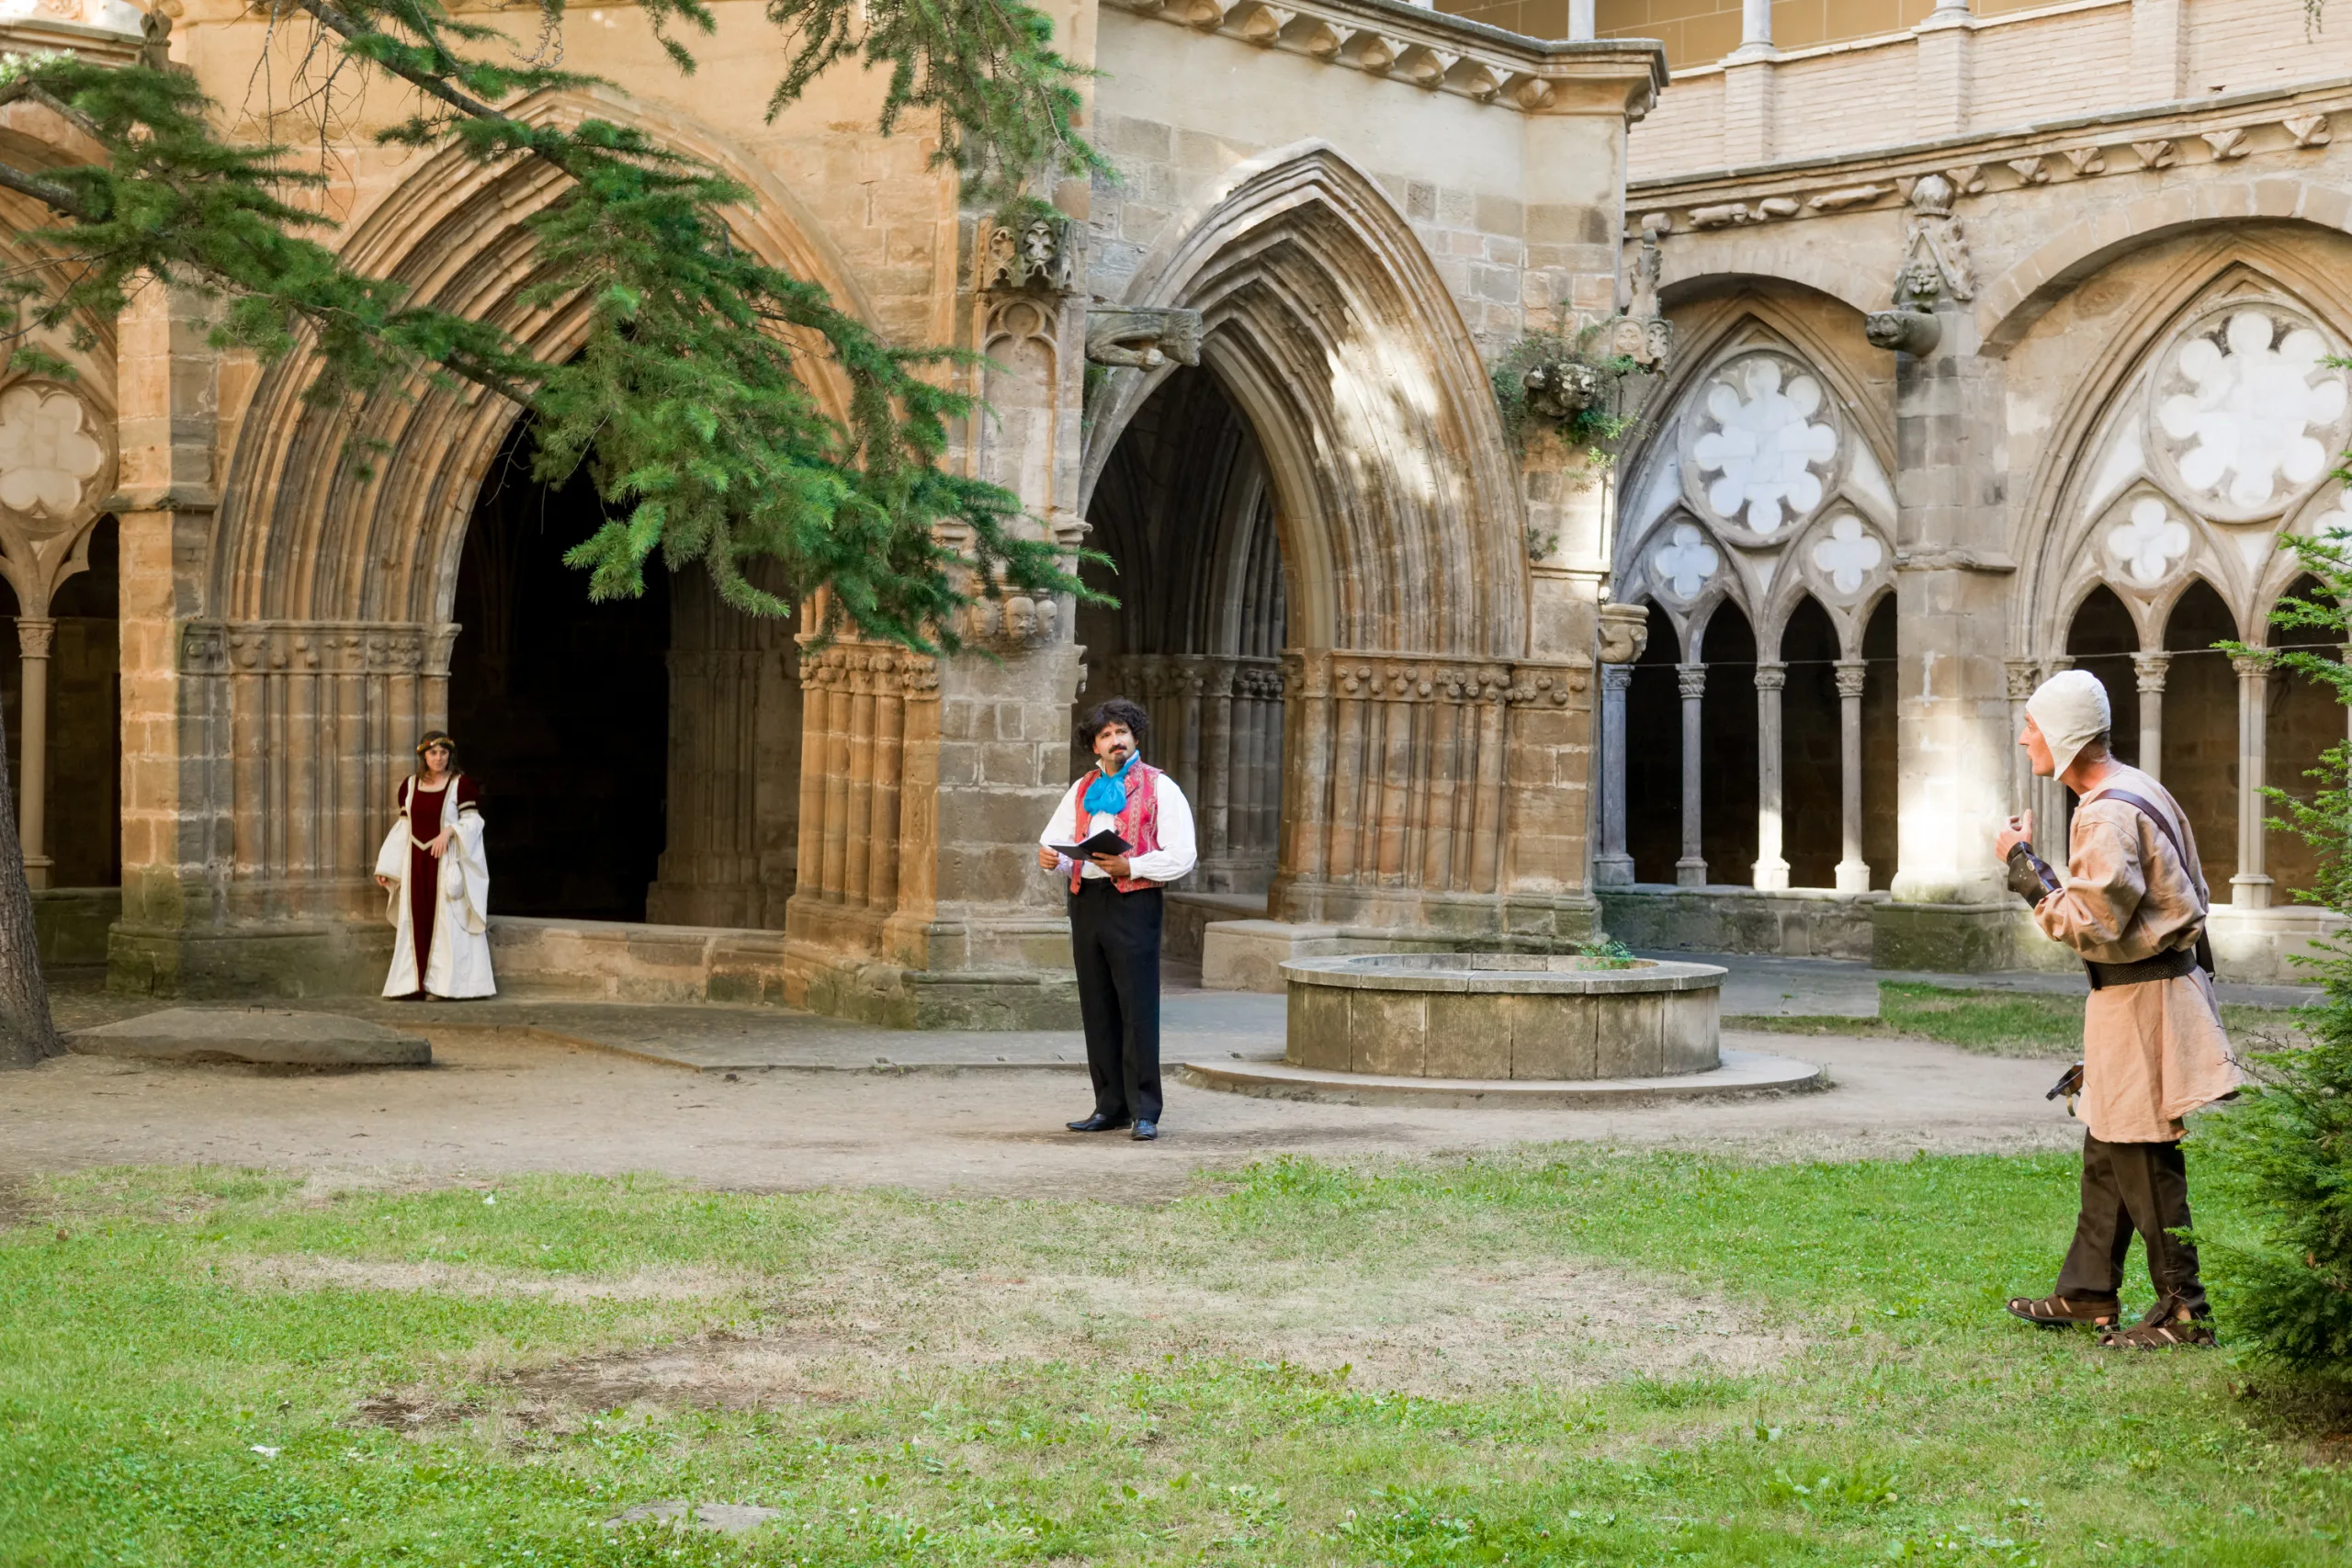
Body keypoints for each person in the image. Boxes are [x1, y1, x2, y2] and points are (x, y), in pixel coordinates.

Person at [1996, 670, 2241, 1348]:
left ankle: (2184, 1309)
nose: (2023, 738)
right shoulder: (2135, 786)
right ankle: (2088, 1289)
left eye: (2033, 727)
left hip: (2144, 996)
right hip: (2140, 990)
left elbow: (2093, 921)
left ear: (2066, 738)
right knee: (2108, 1135)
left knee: (2140, 1145)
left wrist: (2021, 864)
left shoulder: (2104, 810)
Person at [1037, 697, 1196, 1141]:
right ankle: (1109, 1105)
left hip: (1133, 902)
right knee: (1098, 1004)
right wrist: (1051, 857)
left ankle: (1145, 1109)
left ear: (1135, 738)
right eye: (1106, 735)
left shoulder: (1160, 787)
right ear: (1095, 746)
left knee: (1137, 1006)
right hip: (1087, 901)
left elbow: (1183, 854)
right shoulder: (1082, 787)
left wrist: (1134, 867)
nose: (1115, 740)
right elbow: (1055, 838)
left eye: (1122, 732)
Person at [373, 731, 495, 1000]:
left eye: (443, 753)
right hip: (415, 863)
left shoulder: (460, 786)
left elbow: (473, 823)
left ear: (449, 755)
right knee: (415, 919)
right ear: (423, 756)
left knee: (447, 922)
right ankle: (412, 984)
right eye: (433, 753)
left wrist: (450, 831)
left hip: (446, 862)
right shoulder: (409, 786)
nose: (438, 758)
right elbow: (404, 827)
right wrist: (388, 867)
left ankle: (443, 986)